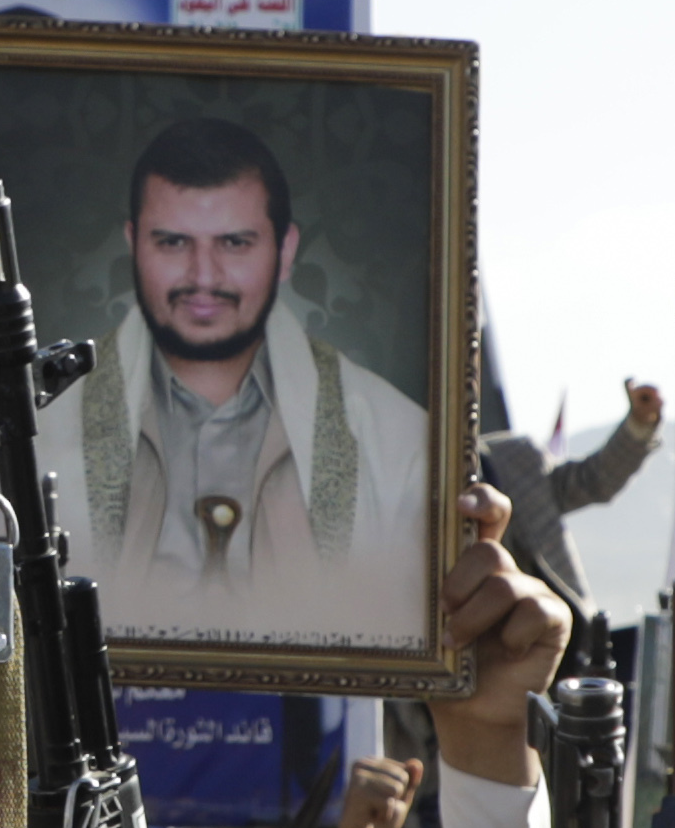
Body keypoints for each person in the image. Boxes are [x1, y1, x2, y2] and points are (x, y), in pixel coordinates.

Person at [64, 110, 435, 647]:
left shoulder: (397, 444)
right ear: (133, 243)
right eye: (172, 242)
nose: (204, 277)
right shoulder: (33, 429)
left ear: (284, 252)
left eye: (234, 243)